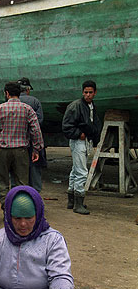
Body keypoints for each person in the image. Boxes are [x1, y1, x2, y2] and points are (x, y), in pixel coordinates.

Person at [0, 82, 43, 208]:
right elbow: (36, 130)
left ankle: (5, 208)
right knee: (21, 182)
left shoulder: (0, 108)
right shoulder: (27, 109)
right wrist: (37, 149)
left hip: (3, 149)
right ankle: (19, 208)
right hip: (20, 150)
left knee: (3, 181)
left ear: (7, 93)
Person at [62, 80, 101, 215]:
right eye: (86, 92)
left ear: (95, 93)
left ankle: (72, 200)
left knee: (75, 170)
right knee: (82, 172)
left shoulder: (90, 106)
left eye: (90, 92)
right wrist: (79, 134)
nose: (88, 95)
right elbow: (66, 126)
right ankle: (78, 204)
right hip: (78, 141)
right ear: (82, 92)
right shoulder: (76, 106)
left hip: (85, 141)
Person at [17, 77, 46, 192]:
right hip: (32, 142)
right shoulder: (35, 101)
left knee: (18, 173)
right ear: (28, 89)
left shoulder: (9, 103)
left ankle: (19, 199)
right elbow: (39, 122)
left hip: (17, 144)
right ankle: (35, 198)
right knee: (35, 172)